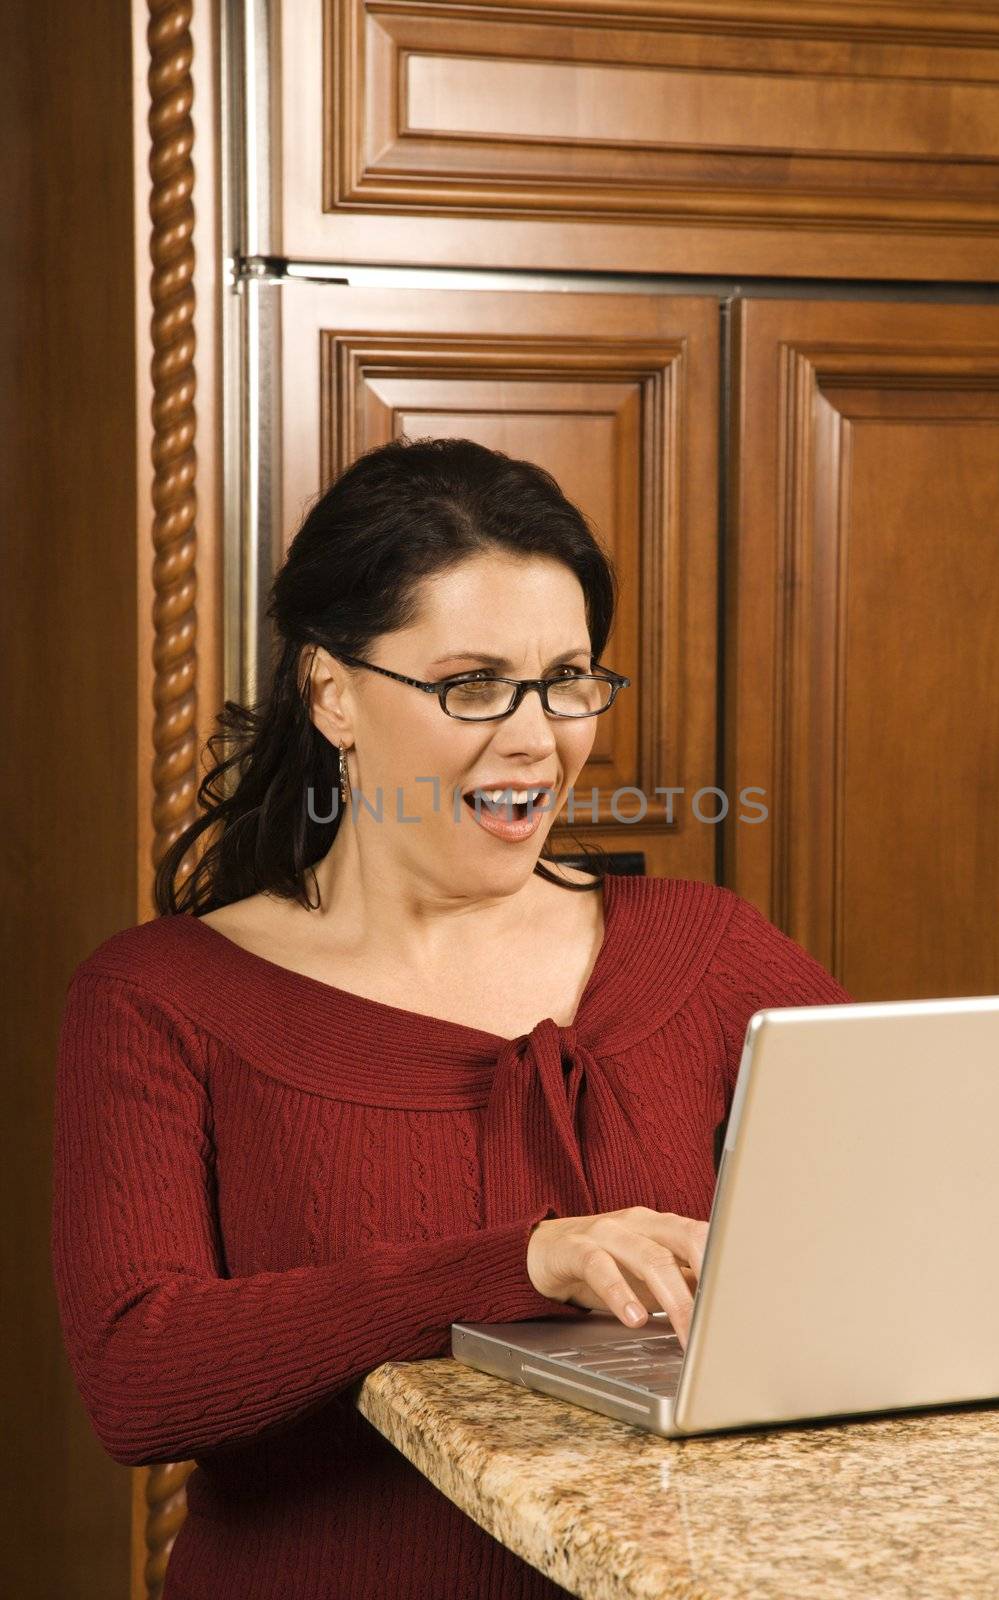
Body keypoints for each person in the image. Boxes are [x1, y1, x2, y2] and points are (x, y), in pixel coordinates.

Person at [51, 437, 852, 1600]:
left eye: (568, 678)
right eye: (470, 684)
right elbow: (138, 1378)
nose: (536, 735)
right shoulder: (159, 998)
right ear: (331, 691)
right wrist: (516, 1261)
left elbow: (924, 1229)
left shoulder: (708, 950)